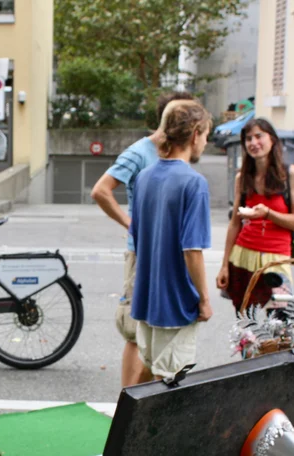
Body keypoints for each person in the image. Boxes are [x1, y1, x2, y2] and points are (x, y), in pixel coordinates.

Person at [90, 91, 196, 388]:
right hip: (142, 255)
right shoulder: (140, 152)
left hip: (170, 257)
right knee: (136, 334)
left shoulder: (176, 153)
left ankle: (145, 407)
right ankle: (128, 407)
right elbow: (101, 190)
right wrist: (130, 223)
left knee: (155, 334)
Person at [129, 101, 213, 383]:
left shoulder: (143, 177)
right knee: (170, 381)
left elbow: (138, 239)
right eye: (205, 136)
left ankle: (128, 427)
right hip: (176, 301)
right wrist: (204, 299)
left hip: (146, 295)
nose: (205, 143)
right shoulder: (194, 183)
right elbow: (192, 251)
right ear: (195, 134)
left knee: (146, 369)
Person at [215, 118, 294, 314]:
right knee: (247, 322)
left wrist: (268, 214)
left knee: (282, 321)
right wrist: (224, 266)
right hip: (243, 254)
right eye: (248, 139)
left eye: (259, 136)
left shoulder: (291, 174)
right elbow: (234, 224)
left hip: (276, 257)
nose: (253, 143)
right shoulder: (242, 177)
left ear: (271, 139)